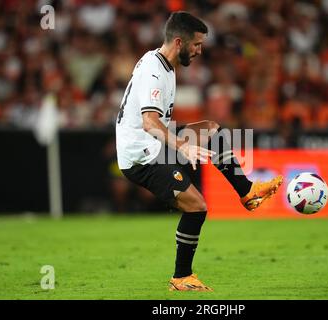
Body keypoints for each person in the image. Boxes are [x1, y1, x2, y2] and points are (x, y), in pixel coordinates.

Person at [115, 11, 283, 292]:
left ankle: (247, 191)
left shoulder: (163, 65)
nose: (200, 50)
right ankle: (181, 277)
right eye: (196, 44)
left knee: (211, 129)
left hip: (153, 144)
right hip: (141, 155)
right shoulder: (154, 71)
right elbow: (149, 122)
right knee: (197, 206)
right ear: (179, 42)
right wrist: (182, 146)